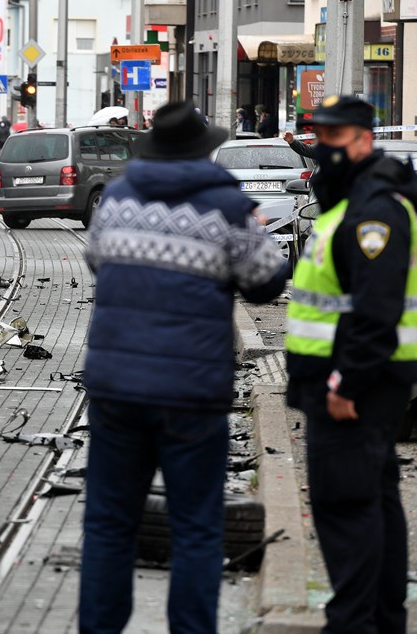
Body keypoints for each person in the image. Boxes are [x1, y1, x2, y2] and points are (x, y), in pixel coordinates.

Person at [79, 100, 288, 634]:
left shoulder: (118, 196)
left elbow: (98, 261)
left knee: (108, 525)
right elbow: (267, 282)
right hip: (191, 392)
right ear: (204, 149)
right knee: (196, 528)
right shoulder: (227, 206)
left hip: (115, 391)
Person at [285, 95, 417, 634]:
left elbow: (377, 309)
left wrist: (347, 382)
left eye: (335, 138)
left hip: (354, 386)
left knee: (345, 505)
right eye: (319, 137)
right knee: (373, 501)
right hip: (352, 380)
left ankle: (352, 625)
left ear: (364, 140)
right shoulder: (354, 199)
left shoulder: (375, 210)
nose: (325, 149)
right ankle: (382, 620)